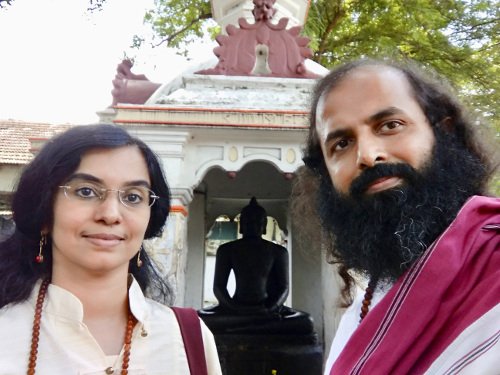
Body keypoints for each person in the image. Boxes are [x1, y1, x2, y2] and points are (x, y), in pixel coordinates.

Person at [299, 58, 499, 374]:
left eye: (390, 125)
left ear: (442, 131)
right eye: (342, 143)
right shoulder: (365, 303)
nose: (367, 154)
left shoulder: (492, 262)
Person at [0, 124, 222, 374]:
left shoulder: (188, 339)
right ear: (44, 213)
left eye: (133, 197)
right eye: (86, 191)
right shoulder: (6, 333)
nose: (111, 214)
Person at [199, 197, 314, 335]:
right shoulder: (227, 250)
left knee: (306, 321)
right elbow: (219, 287)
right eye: (247, 222)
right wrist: (234, 308)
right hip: (236, 309)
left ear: (264, 225)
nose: (252, 226)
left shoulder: (278, 251)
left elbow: (283, 288)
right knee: (200, 318)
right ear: (241, 225)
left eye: (257, 222)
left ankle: (244, 328)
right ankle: (254, 327)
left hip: (266, 310)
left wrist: (270, 308)